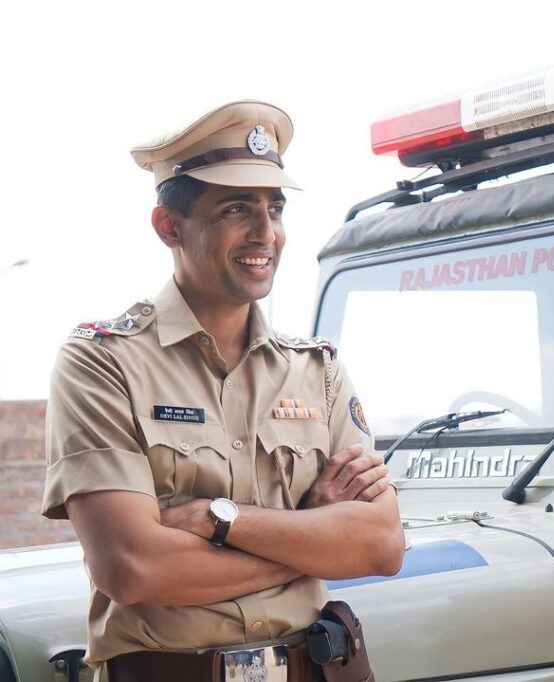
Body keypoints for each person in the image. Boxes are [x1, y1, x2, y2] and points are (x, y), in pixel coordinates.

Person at [41, 100, 405, 682]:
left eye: (275, 208)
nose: (266, 233)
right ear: (169, 226)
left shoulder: (319, 371)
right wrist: (309, 537)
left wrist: (219, 519)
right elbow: (133, 568)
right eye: (238, 208)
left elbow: (381, 545)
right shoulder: (102, 363)